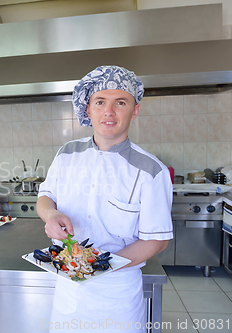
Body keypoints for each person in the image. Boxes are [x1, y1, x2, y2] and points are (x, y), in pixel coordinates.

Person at [36, 66, 173, 332]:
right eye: (100, 102)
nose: (108, 112)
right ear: (88, 109)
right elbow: (46, 196)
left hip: (117, 295)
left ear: (135, 110)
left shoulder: (151, 171)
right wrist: (50, 215)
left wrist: (99, 267)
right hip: (67, 290)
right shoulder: (67, 154)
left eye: (120, 103)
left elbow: (158, 239)